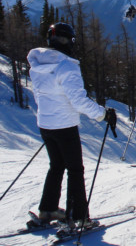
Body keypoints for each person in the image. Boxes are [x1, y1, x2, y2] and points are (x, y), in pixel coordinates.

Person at [27, 22, 117, 228]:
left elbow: (41, 96)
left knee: (56, 166)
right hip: (64, 125)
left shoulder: (38, 65)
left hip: (45, 123)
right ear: (69, 41)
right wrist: (103, 115)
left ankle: (48, 209)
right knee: (75, 169)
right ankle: (78, 217)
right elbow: (78, 101)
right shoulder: (66, 67)